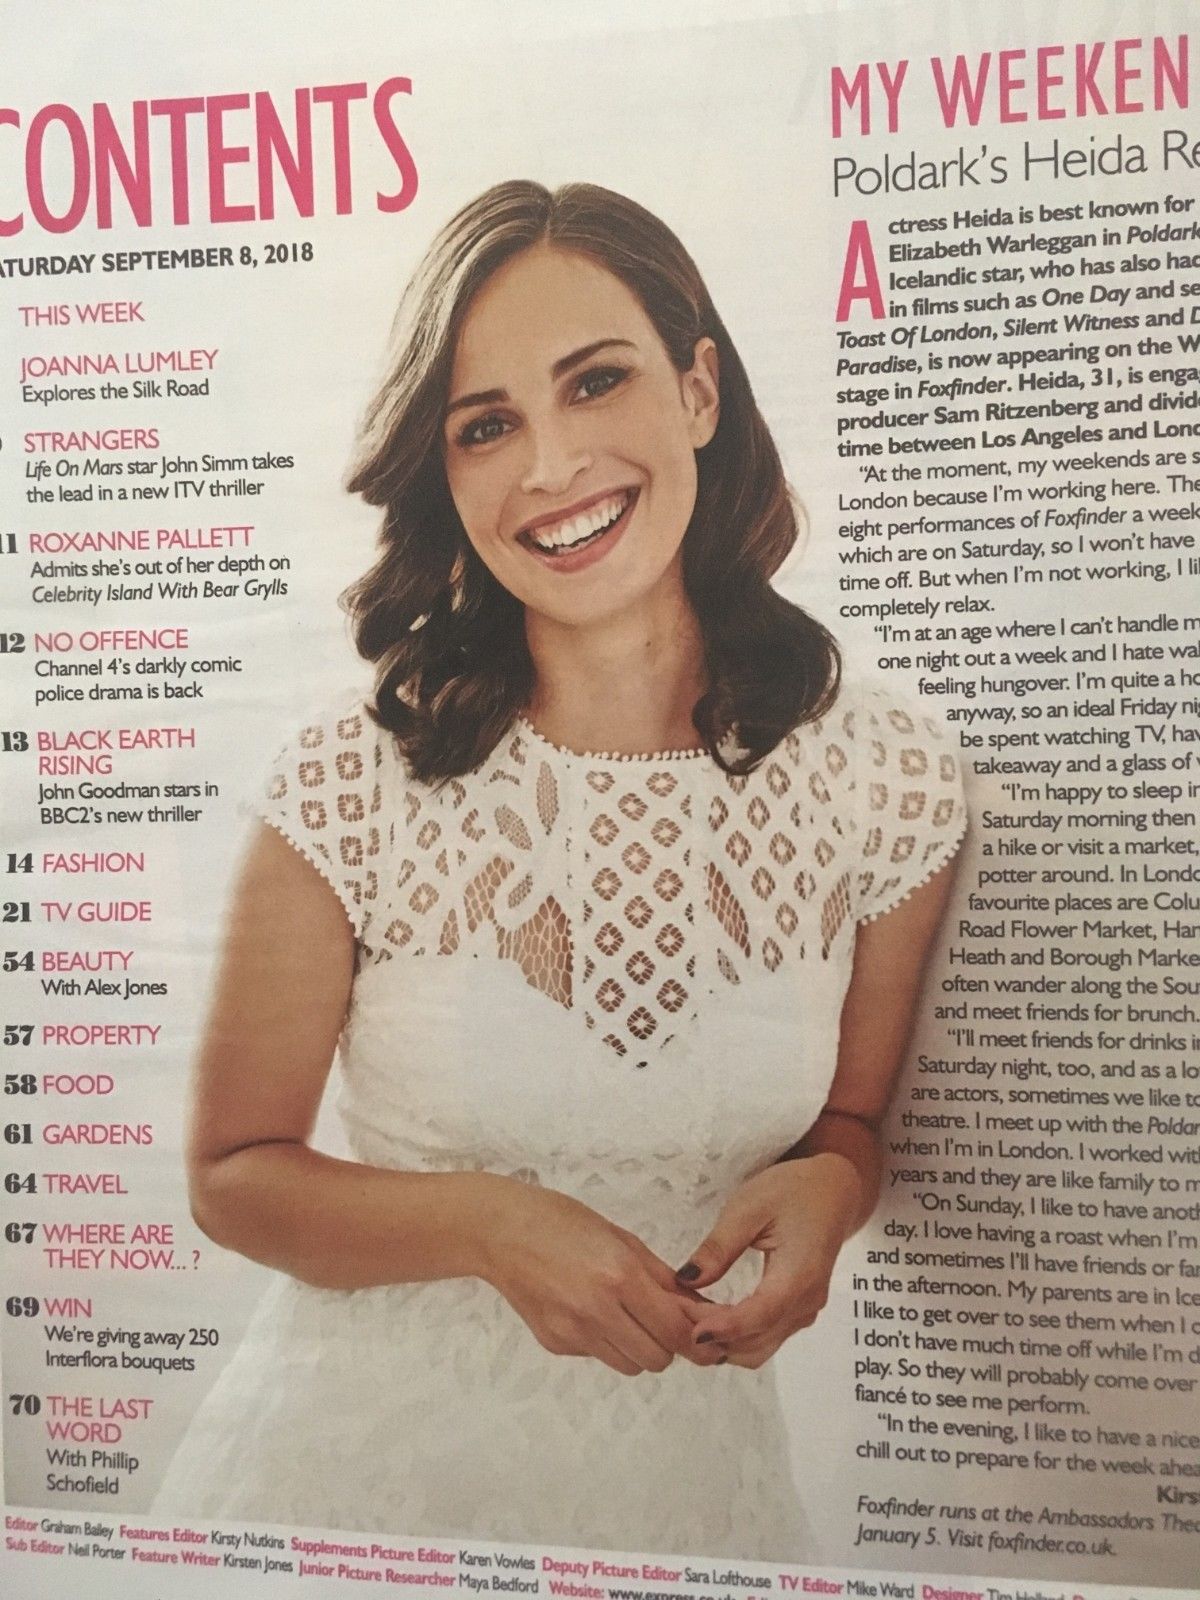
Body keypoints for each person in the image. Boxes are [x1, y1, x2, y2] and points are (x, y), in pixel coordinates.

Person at [153, 181, 966, 1557]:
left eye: (596, 382)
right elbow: (234, 1175)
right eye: (487, 425)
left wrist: (833, 1194)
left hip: (699, 1507)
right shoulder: (349, 779)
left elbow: (849, 1125)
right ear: (445, 473)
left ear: (698, 390)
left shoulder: (883, 773)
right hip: (343, 1503)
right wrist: (489, 1227)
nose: (550, 465)